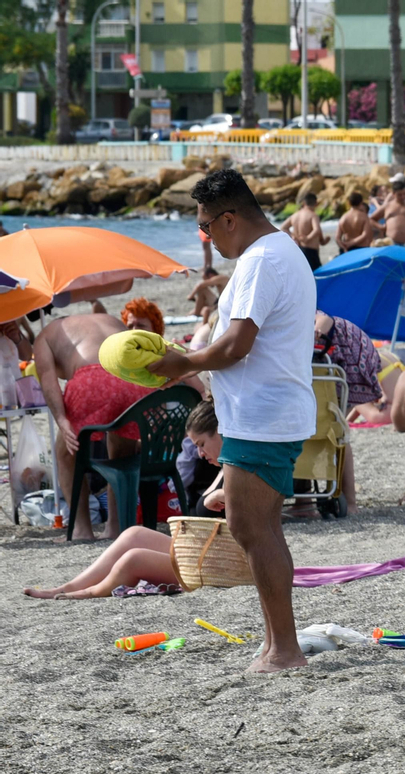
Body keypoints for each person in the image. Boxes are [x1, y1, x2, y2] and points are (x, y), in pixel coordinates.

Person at [148, 168, 317, 674]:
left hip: (263, 416)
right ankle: (276, 644)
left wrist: (184, 363)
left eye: (205, 226)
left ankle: (285, 649)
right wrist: (192, 356)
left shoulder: (264, 259)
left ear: (229, 218)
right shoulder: (275, 252)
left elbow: (236, 345)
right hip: (268, 412)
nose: (204, 236)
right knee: (256, 528)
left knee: (253, 529)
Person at [23, 402, 227, 599]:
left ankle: (91, 592)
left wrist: (223, 496)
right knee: (133, 534)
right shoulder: (225, 467)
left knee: (133, 559)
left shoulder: (239, 472)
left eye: (201, 444)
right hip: (201, 552)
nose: (200, 454)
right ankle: (68, 586)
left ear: (219, 433)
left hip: (220, 565)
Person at [33, 314, 157, 539]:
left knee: (66, 454)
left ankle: (82, 528)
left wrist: (62, 420)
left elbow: (48, 380)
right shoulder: (108, 319)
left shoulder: (44, 337)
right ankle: (115, 526)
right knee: (121, 455)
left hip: (91, 377)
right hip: (134, 378)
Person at [310, 312, 380, 513]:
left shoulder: (315, 315)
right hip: (331, 361)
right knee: (332, 429)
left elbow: (322, 322)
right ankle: (343, 502)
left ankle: (350, 503)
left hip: (345, 360)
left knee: (335, 428)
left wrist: (312, 335)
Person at [281, 191, 327, 272]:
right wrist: (308, 238)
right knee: (315, 274)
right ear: (316, 204)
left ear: (304, 203)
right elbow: (316, 230)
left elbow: (283, 227)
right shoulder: (313, 215)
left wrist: (293, 236)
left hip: (299, 249)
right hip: (310, 251)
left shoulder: (295, 215)